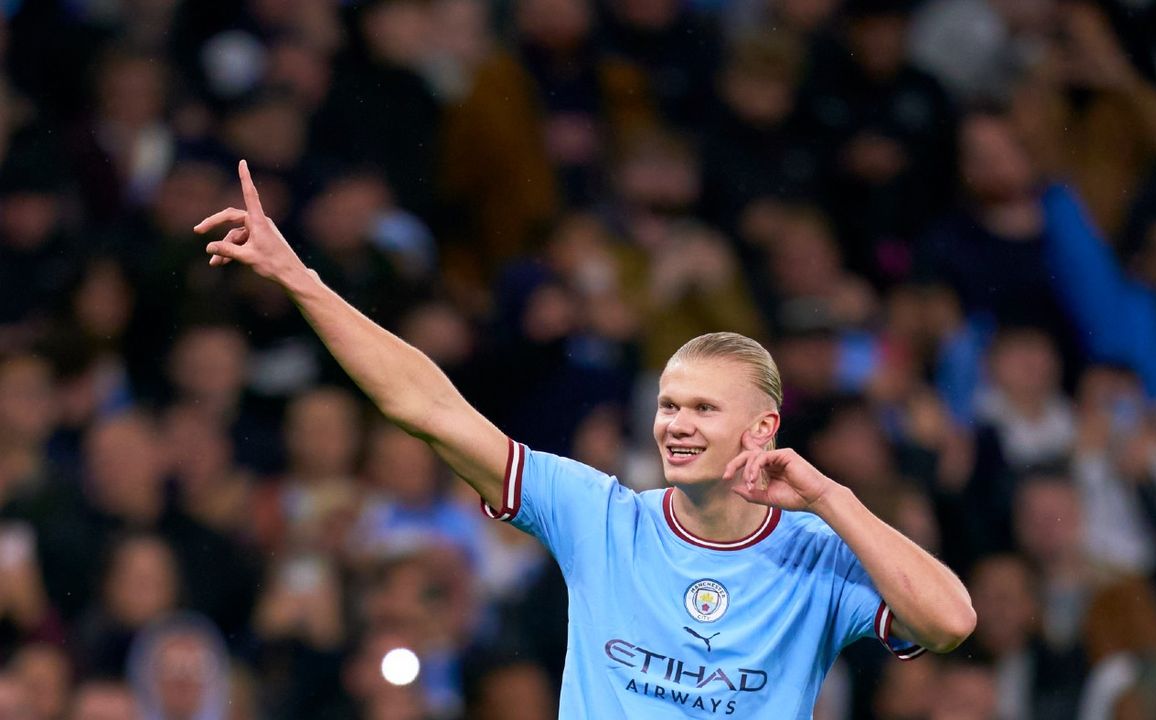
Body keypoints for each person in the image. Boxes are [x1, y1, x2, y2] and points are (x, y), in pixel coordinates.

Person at [196, 161, 975, 717]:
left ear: (762, 427)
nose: (675, 424)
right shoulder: (602, 516)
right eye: (669, 405)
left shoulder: (816, 550)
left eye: (703, 408)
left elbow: (949, 623)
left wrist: (832, 498)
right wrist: (301, 279)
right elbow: (428, 408)